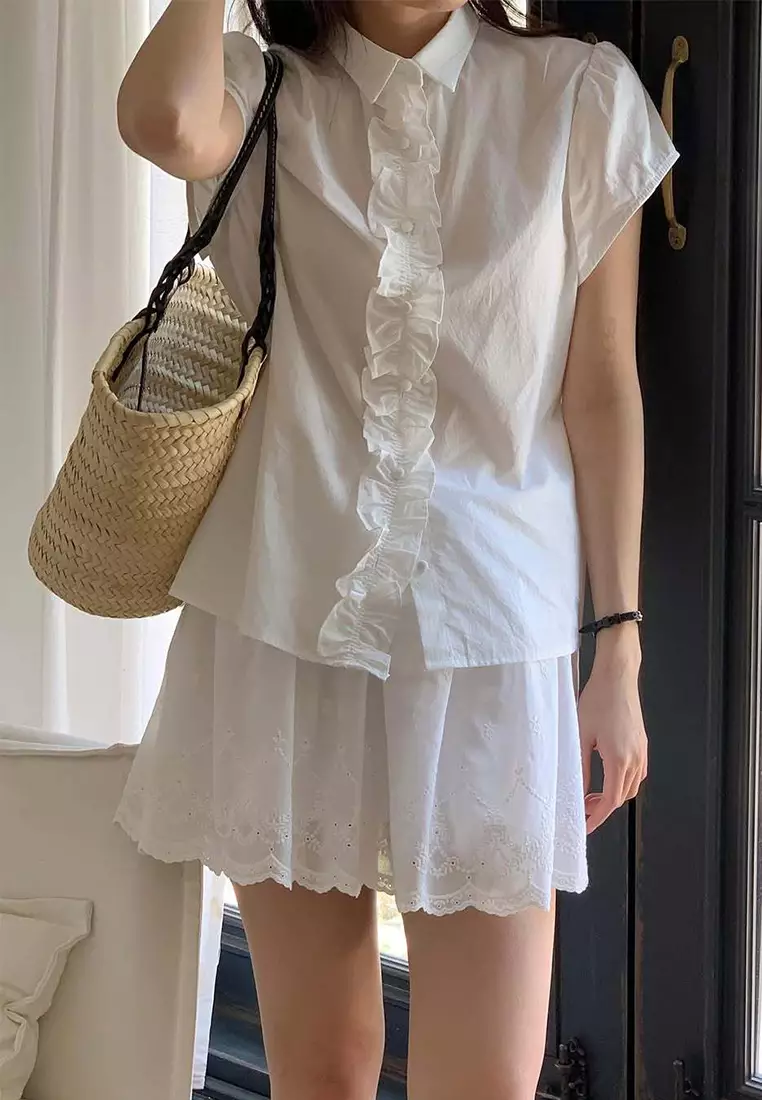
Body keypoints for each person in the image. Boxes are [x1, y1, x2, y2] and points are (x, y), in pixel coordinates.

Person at [114, 1, 677, 1097]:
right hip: (284, 622)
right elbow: (162, 118)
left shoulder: (578, 97)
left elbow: (603, 391)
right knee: (320, 1069)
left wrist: (619, 643)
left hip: (489, 644)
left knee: (488, 1079)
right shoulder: (263, 91)